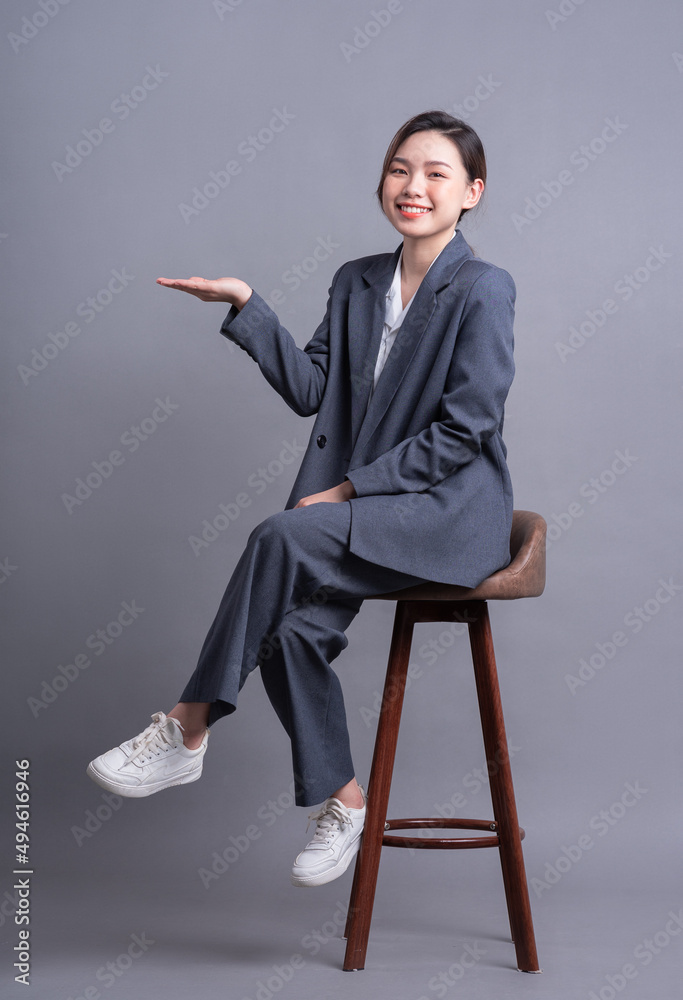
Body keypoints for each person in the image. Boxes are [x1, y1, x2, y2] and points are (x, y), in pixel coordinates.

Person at [87, 109, 516, 889]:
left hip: (447, 514)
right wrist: (247, 305)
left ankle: (186, 729)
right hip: (365, 514)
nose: (411, 186)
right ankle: (347, 802)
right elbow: (310, 388)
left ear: (471, 193)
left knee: (281, 535)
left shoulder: (483, 289)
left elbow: (466, 429)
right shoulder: (356, 279)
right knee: (286, 633)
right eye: (397, 168)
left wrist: (350, 487)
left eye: (434, 174)